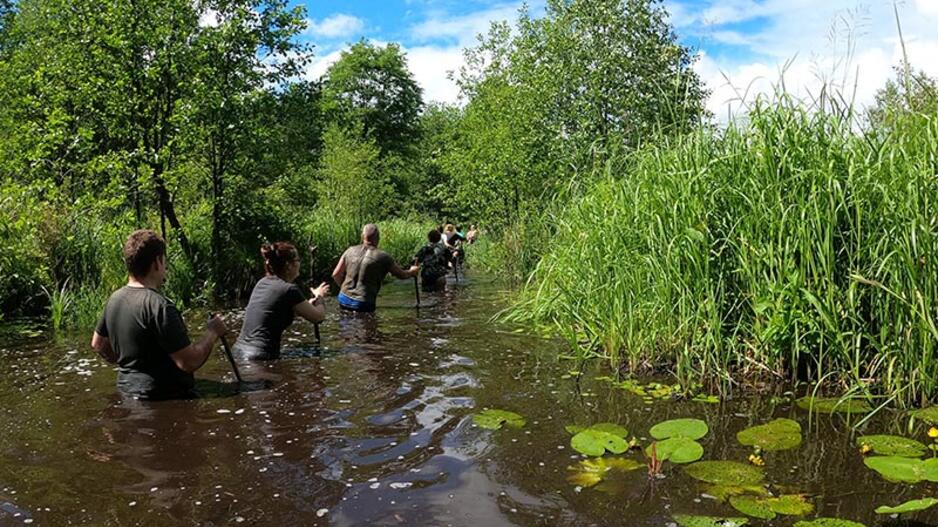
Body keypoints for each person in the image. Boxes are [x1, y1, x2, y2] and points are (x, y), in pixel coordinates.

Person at [91, 230, 227, 400]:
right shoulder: (159, 306)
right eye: (164, 261)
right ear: (157, 262)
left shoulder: (114, 299)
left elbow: (98, 344)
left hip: (126, 392)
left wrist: (131, 365)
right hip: (163, 398)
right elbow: (189, 362)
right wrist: (212, 332)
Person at [232, 242, 331, 360]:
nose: (300, 263)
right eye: (298, 259)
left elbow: (273, 313)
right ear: (288, 265)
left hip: (237, 352)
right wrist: (319, 297)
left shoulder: (262, 283)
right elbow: (318, 317)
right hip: (260, 356)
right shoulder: (289, 289)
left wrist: (307, 306)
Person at [332, 223, 419, 312]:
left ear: (362, 236)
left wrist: (346, 291)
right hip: (363, 303)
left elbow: (336, 274)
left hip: (343, 298)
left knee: (346, 323)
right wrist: (412, 271)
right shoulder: (383, 257)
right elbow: (402, 275)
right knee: (366, 324)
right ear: (378, 238)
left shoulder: (349, 251)